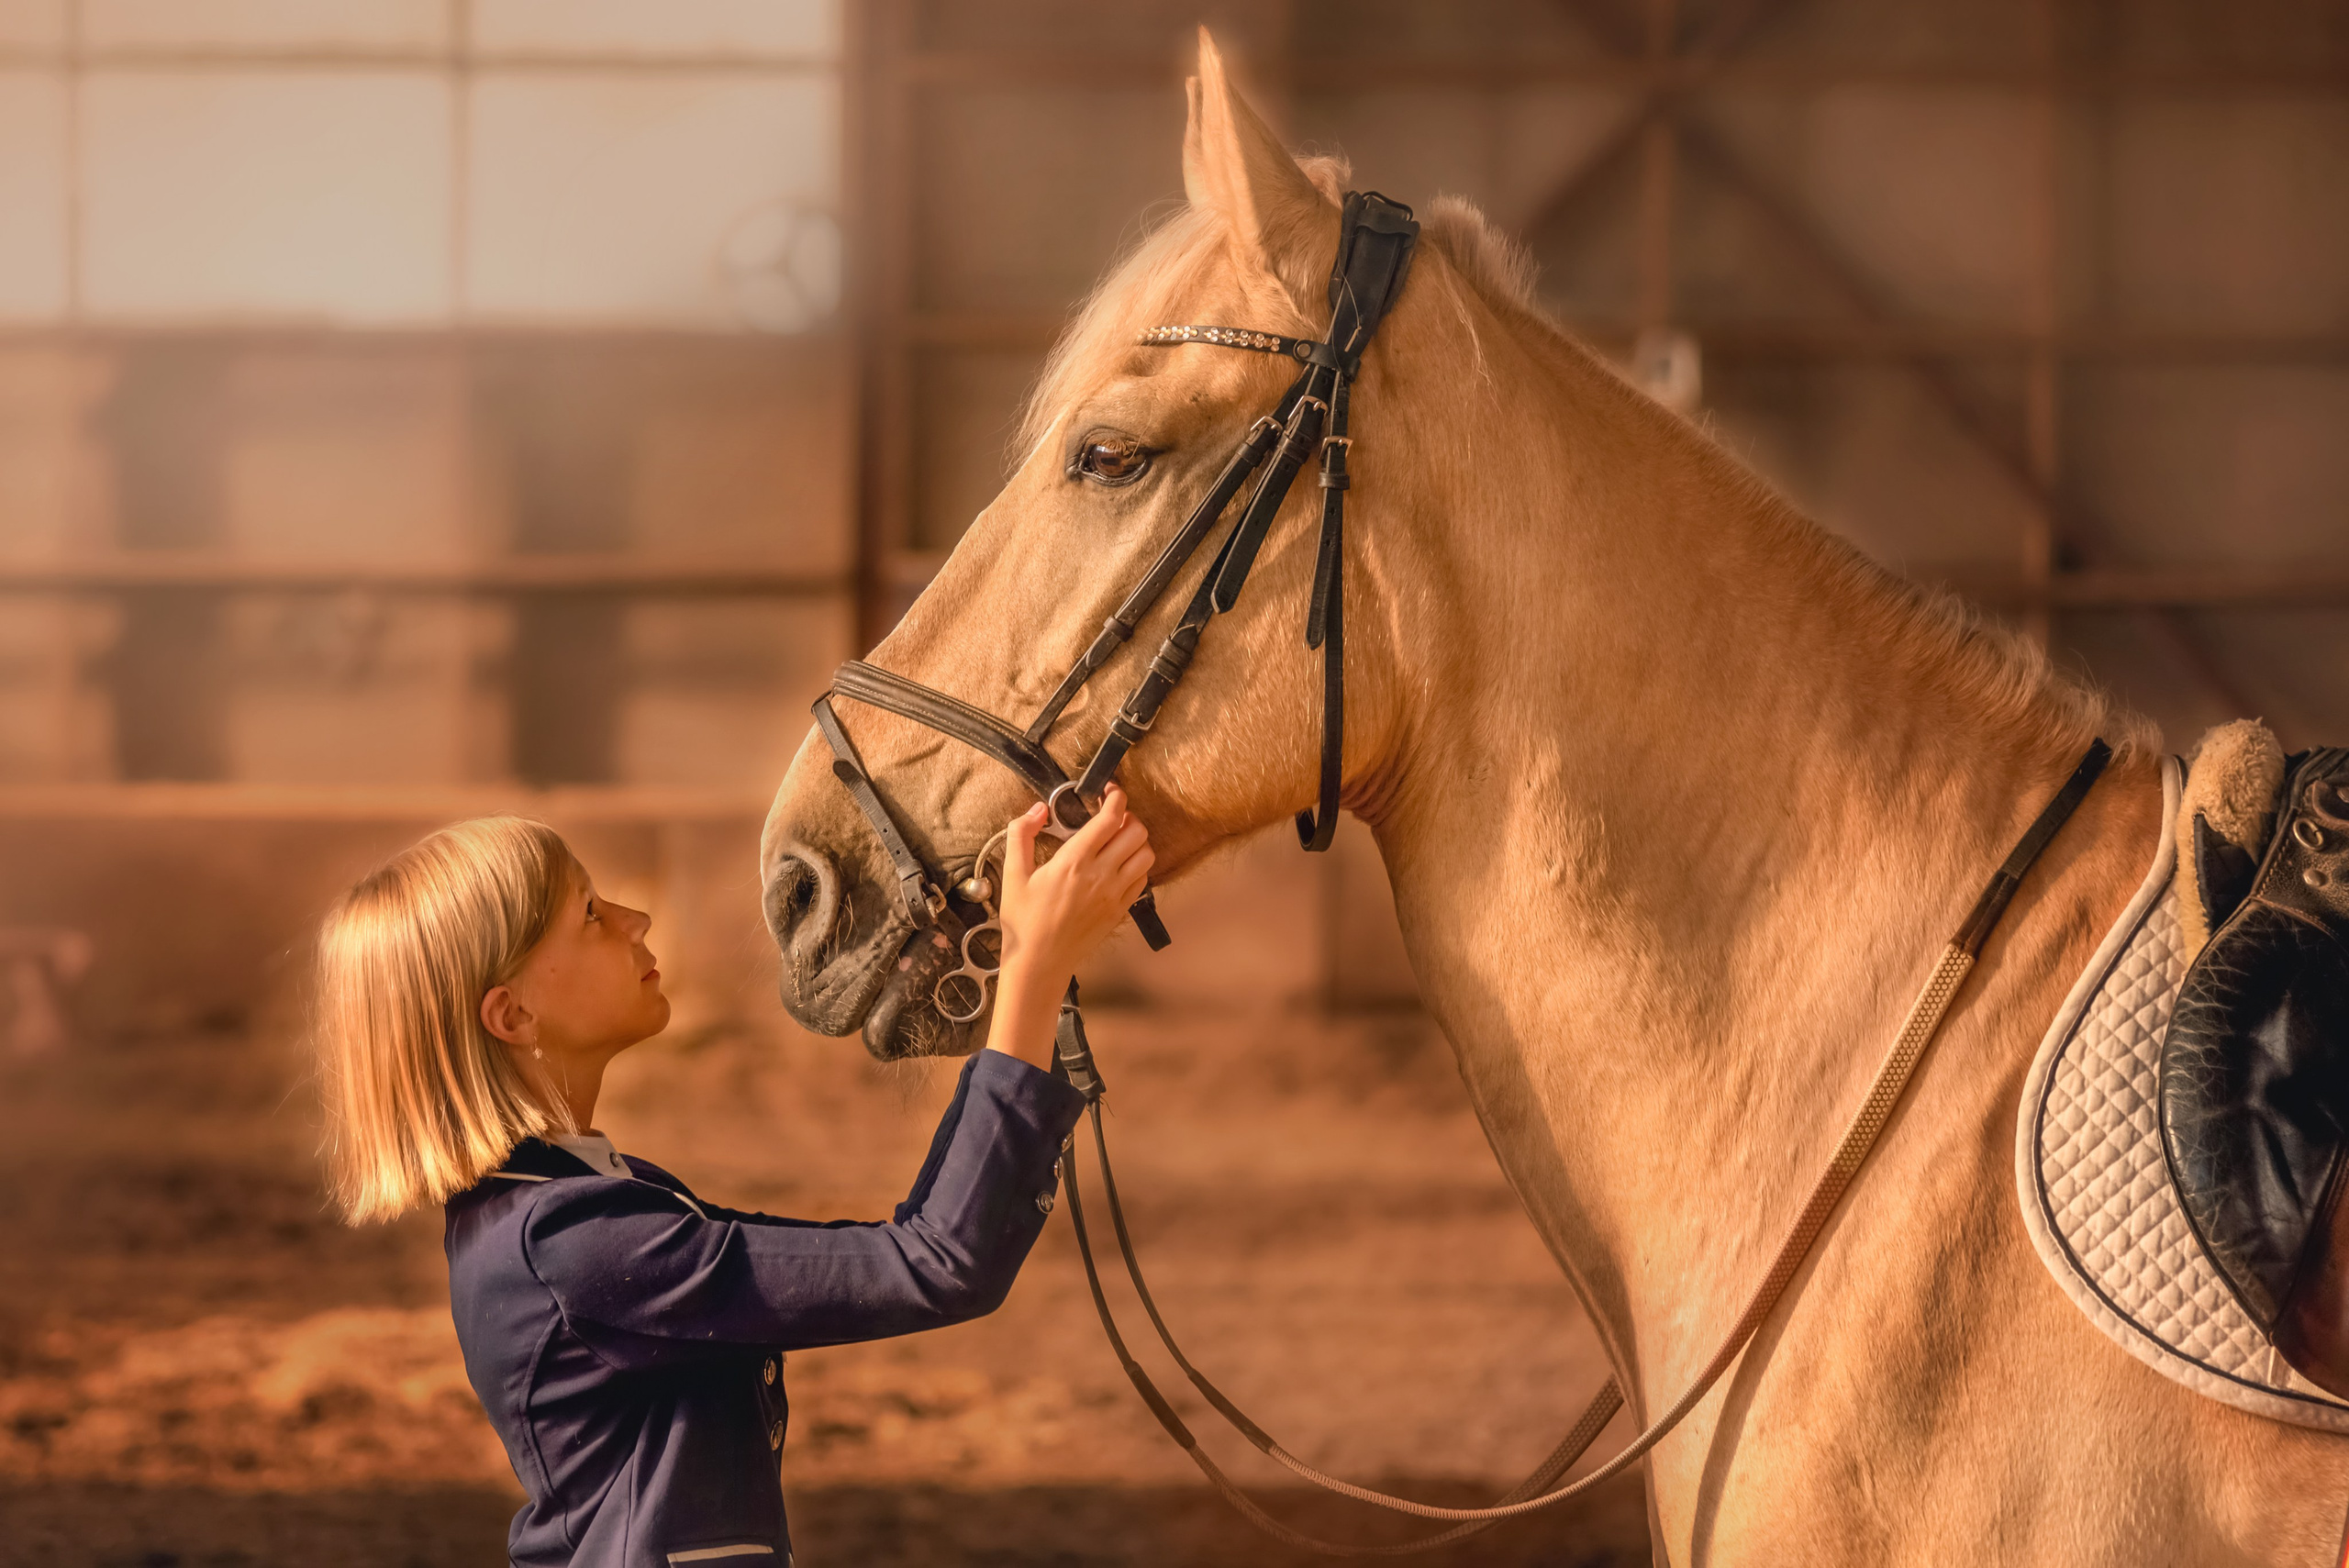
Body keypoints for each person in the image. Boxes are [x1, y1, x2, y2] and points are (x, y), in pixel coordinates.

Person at [311, 788, 1154, 1568]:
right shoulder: (574, 1242)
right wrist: (1033, 967)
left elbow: (913, 1247)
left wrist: (1027, 993)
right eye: (592, 915)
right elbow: (939, 1263)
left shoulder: (569, 1203)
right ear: (514, 1014)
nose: (637, 919)